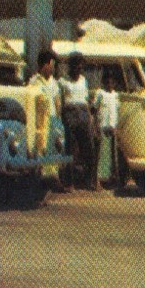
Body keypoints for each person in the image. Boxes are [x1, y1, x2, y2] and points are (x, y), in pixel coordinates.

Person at [58, 55, 97, 190]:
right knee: (70, 149)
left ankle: (90, 181)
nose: (79, 69)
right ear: (71, 66)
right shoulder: (63, 81)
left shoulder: (84, 80)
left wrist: (90, 116)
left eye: (81, 66)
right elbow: (61, 101)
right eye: (76, 66)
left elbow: (86, 100)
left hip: (83, 114)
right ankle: (69, 182)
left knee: (88, 148)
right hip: (70, 114)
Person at [92, 71, 122, 189]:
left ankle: (110, 180)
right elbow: (94, 109)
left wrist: (117, 127)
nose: (110, 83)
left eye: (112, 81)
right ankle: (97, 181)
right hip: (102, 126)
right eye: (108, 81)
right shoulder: (100, 93)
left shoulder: (116, 95)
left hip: (112, 127)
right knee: (100, 155)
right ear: (105, 82)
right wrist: (95, 127)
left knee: (111, 157)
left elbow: (117, 111)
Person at [27, 53, 58, 159]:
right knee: (40, 152)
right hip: (40, 123)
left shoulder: (53, 82)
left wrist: (57, 120)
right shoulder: (34, 81)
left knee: (53, 154)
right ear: (45, 65)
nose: (53, 68)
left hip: (52, 120)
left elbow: (57, 102)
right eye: (52, 65)